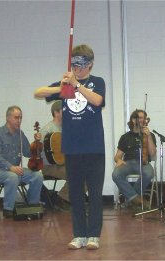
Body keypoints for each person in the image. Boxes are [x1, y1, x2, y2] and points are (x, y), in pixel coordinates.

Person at [33, 44, 106, 250]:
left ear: (90, 64)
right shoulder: (65, 84)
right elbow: (38, 92)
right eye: (74, 63)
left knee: (94, 193)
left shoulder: (97, 82)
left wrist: (76, 86)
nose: (77, 68)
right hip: (72, 148)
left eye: (81, 64)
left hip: (93, 148)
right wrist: (62, 87)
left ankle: (94, 235)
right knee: (75, 194)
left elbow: (98, 101)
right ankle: (79, 235)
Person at [0, 106, 44, 218]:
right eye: (16, 118)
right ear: (8, 118)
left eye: (20, 118)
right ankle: (7, 209)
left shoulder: (20, 134)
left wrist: (36, 142)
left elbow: (29, 153)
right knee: (12, 177)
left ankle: (32, 205)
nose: (19, 121)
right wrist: (11, 167)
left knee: (37, 175)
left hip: (16, 170)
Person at [112, 109, 156, 208]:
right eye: (139, 118)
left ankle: (131, 199)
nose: (142, 120)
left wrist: (148, 136)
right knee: (116, 174)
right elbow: (117, 156)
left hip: (144, 162)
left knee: (149, 173)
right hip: (128, 163)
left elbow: (153, 154)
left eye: (143, 118)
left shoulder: (150, 135)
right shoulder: (125, 137)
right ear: (133, 120)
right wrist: (118, 160)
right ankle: (137, 199)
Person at [40, 100, 71, 210]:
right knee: (75, 174)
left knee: (86, 172)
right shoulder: (46, 130)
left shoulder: (66, 129)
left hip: (63, 164)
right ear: (56, 112)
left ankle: (63, 198)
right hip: (49, 166)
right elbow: (40, 153)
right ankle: (61, 200)